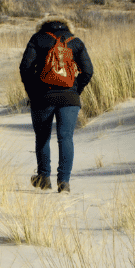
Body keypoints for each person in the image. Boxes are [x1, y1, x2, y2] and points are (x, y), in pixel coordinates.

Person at [19, 18, 94, 193]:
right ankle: (64, 182)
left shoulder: (37, 39)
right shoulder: (75, 41)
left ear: (43, 25)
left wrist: (33, 92)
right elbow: (88, 71)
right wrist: (75, 90)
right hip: (70, 97)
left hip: (42, 96)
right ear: (68, 26)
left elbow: (25, 68)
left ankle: (44, 178)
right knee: (65, 137)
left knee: (43, 137)